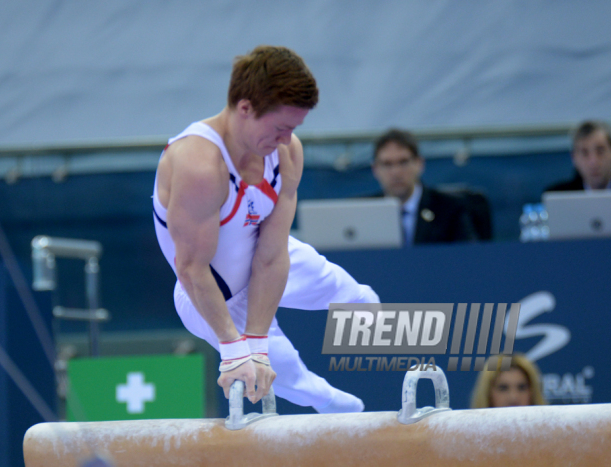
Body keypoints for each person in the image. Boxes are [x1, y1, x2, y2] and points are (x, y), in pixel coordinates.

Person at [153, 45, 379, 413]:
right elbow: (191, 269)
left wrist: (257, 339)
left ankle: (416, 345)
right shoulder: (199, 165)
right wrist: (236, 348)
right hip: (212, 296)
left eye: (294, 128)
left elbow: (272, 255)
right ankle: (351, 417)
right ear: (245, 108)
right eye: (280, 127)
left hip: (267, 257)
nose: (287, 139)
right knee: (287, 376)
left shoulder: (286, 154)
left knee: (355, 297)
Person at [371, 128, 477, 246]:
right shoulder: (364, 212)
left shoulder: (450, 209)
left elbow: (467, 257)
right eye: (387, 164)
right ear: (375, 169)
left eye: (403, 162)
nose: (396, 172)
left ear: (419, 164)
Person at [545, 120, 611, 192]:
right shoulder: (558, 194)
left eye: (600, 151)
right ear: (574, 158)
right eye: (585, 153)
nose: (593, 162)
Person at [470, 353, 546, 408]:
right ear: (487, 393)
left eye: (522, 388)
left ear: (533, 392)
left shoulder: (553, 429)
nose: (513, 397)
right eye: (503, 388)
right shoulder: (469, 430)